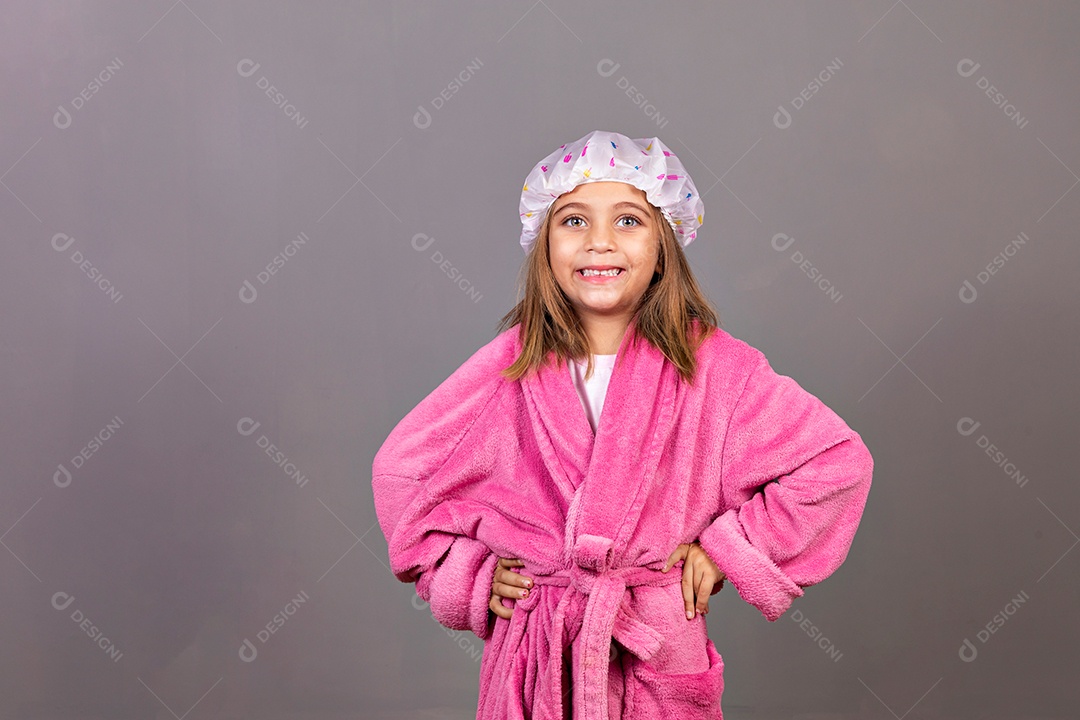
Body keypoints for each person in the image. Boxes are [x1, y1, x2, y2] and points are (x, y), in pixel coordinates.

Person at [371, 130, 874, 719]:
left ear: (665, 243)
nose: (600, 242)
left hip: (654, 655)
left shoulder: (716, 369)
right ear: (544, 243)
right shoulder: (509, 367)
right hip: (540, 657)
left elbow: (835, 463)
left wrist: (731, 549)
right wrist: (468, 576)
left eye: (629, 221)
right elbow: (403, 472)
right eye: (574, 221)